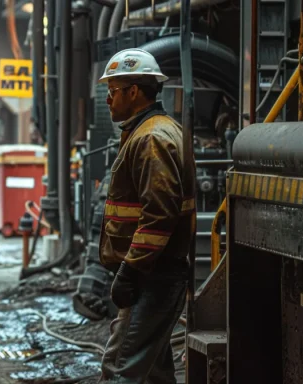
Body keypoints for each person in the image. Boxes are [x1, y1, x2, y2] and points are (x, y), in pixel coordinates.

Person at [95, 48, 196, 383]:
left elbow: (159, 215)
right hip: (155, 273)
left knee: (119, 368)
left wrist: (132, 270)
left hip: (153, 276)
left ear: (134, 92)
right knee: (154, 374)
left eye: (113, 91)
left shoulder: (152, 137)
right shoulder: (149, 131)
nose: (108, 100)